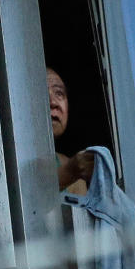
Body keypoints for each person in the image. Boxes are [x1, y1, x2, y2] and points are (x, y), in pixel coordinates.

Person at [47, 67, 94, 195]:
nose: (53, 102)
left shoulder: (75, 172)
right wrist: (69, 172)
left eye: (59, 93)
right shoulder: (8, 157)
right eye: (42, 92)